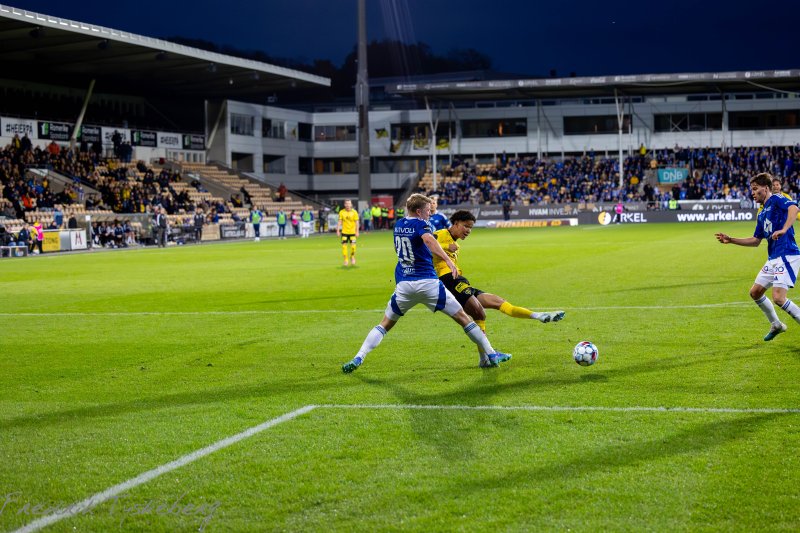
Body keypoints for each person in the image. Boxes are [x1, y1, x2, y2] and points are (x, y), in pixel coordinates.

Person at [342, 193, 510, 373]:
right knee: (463, 317)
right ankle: (491, 354)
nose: (430, 214)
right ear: (418, 211)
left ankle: (359, 356)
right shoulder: (422, 224)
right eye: (427, 211)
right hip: (428, 282)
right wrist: (448, 260)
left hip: (404, 285)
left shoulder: (399, 224)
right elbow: (429, 240)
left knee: (385, 324)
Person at [434, 210, 565, 365]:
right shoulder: (440, 235)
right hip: (447, 280)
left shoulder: (455, 244)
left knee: (497, 301)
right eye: (466, 226)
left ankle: (538, 315)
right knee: (479, 313)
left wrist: (449, 247)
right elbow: (423, 245)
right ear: (456, 223)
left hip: (458, 280)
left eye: (471, 227)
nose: (468, 230)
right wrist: (444, 246)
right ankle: (487, 356)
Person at [715, 172, 800, 341]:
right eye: (751, 190)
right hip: (773, 258)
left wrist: (784, 229)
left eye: (755, 189)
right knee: (755, 292)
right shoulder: (761, 214)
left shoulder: (776, 199)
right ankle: (776, 324)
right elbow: (755, 241)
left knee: (778, 297)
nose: (752, 193)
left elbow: (794, 208)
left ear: (766, 188)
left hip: (787, 254)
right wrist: (731, 240)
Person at [337, 199, 359, 266]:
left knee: (353, 247)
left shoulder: (354, 212)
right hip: (344, 232)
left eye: (349, 203)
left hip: (352, 233)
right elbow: (340, 222)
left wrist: (357, 231)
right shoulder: (341, 212)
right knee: (344, 247)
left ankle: (352, 257)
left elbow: (357, 222)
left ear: (351, 204)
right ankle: (346, 260)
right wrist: (337, 230)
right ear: (344, 205)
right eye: (346, 203)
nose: (348, 205)